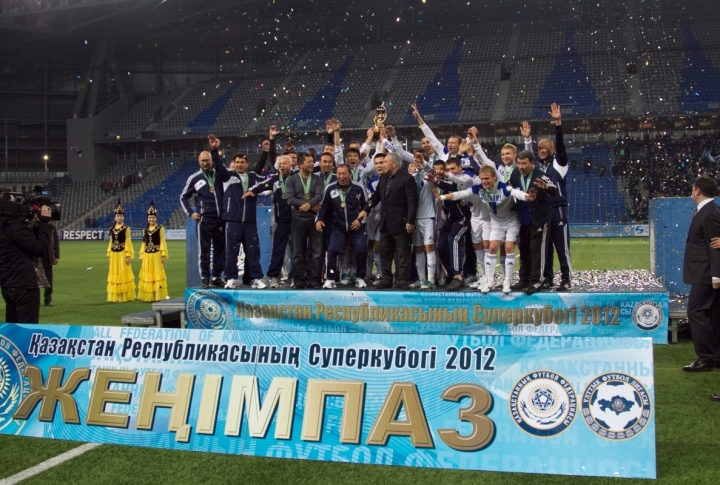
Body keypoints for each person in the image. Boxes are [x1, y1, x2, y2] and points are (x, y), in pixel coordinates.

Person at [523, 104, 572, 291]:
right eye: (540, 147)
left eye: (545, 147)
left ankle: (566, 278)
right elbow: (528, 158)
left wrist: (558, 124)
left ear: (552, 149)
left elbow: (561, 147)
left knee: (561, 245)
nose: (542, 150)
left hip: (558, 209)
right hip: (543, 210)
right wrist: (527, 140)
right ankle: (548, 278)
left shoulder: (559, 165)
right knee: (546, 248)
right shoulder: (537, 169)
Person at [209, 134, 267, 289]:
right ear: (234, 164)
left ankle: (256, 278)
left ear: (247, 164)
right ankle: (231, 278)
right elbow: (219, 166)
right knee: (231, 251)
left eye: (243, 162)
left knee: (253, 251)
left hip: (249, 221)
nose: (240, 164)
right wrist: (215, 150)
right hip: (233, 220)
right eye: (237, 162)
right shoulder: (229, 176)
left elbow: (268, 183)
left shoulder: (253, 177)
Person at [358, 152, 418, 289]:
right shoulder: (383, 178)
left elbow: (412, 202)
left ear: (394, 163)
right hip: (385, 222)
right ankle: (386, 279)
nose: (382, 164)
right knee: (385, 252)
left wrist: (410, 221)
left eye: (385, 162)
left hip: (401, 222)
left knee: (403, 253)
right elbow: (376, 196)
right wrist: (365, 209)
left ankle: (402, 280)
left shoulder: (407, 179)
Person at [682, 177, 720, 373]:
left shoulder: (710, 212)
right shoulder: (707, 211)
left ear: (697, 190)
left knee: (695, 311)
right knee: (712, 314)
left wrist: (716, 275)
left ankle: (705, 357)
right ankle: (714, 356)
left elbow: (715, 246)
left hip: (706, 274)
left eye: (692, 189)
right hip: (705, 272)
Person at [510, 150, 558, 294]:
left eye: (524, 163)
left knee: (537, 251)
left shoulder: (541, 175)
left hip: (539, 219)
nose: (521, 166)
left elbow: (554, 189)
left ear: (532, 163)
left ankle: (538, 281)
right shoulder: (515, 174)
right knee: (524, 250)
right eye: (519, 163)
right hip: (523, 219)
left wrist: (547, 187)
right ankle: (524, 279)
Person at [0, 193, 52, 323]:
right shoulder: (15, 229)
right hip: (24, 286)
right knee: (27, 332)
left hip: (8, 285)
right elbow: (39, 249)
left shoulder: (4, 227)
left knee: (13, 330)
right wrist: (45, 224)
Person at [316, 164, 368, 288]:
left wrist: (360, 221)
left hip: (356, 226)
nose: (341, 176)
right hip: (338, 226)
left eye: (344, 173)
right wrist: (318, 219)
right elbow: (323, 206)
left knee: (362, 250)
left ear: (350, 174)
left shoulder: (358, 187)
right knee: (332, 250)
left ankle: (360, 277)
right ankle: (330, 278)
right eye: (339, 174)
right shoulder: (330, 188)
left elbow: (366, 207)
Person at [244, 154, 292, 288]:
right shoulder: (274, 180)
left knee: (297, 251)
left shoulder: (296, 178)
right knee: (278, 250)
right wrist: (252, 190)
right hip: (281, 221)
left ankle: (295, 277)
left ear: (290, 165)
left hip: (296, 220)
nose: (282, 166)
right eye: (280, 164)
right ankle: (274, 277)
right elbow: (261, 185)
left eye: (285, 164)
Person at [180, 150, 225, 288]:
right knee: (204, 250)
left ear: (211, 160)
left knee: (220, 249)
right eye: (202, 161)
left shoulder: (220, 174)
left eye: (207, 160)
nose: (205, 163)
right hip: (204, 220)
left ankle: (217, 276)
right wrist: (190, 213)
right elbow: (183, 197)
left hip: (221, 218)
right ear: (199, 162)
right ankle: (205, 277)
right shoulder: (194, 178)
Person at [286, 151, 324, 288]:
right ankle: (299, 281)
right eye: (309, 162)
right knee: (297, 253)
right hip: (297, 220)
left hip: (315, 220)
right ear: (300, 164)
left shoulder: (318, 179)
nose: (312, 164)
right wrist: (309, 205)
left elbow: (319, 195)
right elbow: (289, 199)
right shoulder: (291, 180)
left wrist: (308, 204)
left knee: (317, 253)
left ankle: (315, 280)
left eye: (312, 162)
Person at [137, 201, 169, 302]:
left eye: (153, 217)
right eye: (150, 217)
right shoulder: (145, 229)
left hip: (156, 254)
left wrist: (163, 255)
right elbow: (144, 243)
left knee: (157, 274)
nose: (151, 219)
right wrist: (142, 254)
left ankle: (158, 296)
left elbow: (162, 241)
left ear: (156, 218)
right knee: (148, 274)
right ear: (147, 218)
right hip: (147, 255)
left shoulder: (160, 228)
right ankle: (149, 296)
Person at [107, 200, 135, 303]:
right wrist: (109, 256)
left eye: (121, 216)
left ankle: (124, 295)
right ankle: (117, 295)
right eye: (118, 216)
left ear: (123, 217)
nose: (119, 217)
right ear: (114, 217)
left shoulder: (126, 228)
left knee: (123, 273)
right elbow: (111, 242)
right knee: (115, 272)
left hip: (122, 253)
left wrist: (128, 255)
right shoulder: (112, 229)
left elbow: (128, 241)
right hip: (114, 254)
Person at [41, 220, 59, 306]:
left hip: (48, 256)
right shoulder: (34, 226)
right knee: (32, 278)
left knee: (48, 279)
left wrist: (56, 256)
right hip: (36, 256)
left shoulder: (52, 228)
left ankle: (48, 299)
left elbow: (56, 242)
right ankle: (33, 299)